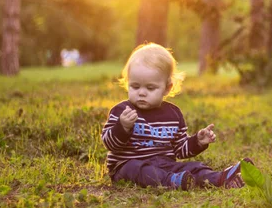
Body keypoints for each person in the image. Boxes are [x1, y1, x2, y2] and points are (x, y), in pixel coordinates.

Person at [101, 42, 253, 190]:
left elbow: (180, 149)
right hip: (126, 166)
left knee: (194, 167)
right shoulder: (122, 111)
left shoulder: (173, 114)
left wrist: (197, 142)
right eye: (135, 86)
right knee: (137, 169)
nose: (141, 92)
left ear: (167, 88)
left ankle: (220, 178)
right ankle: (171, 181)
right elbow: (109, 143)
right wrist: (122, 127)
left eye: (150, 87)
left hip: (164, 164)